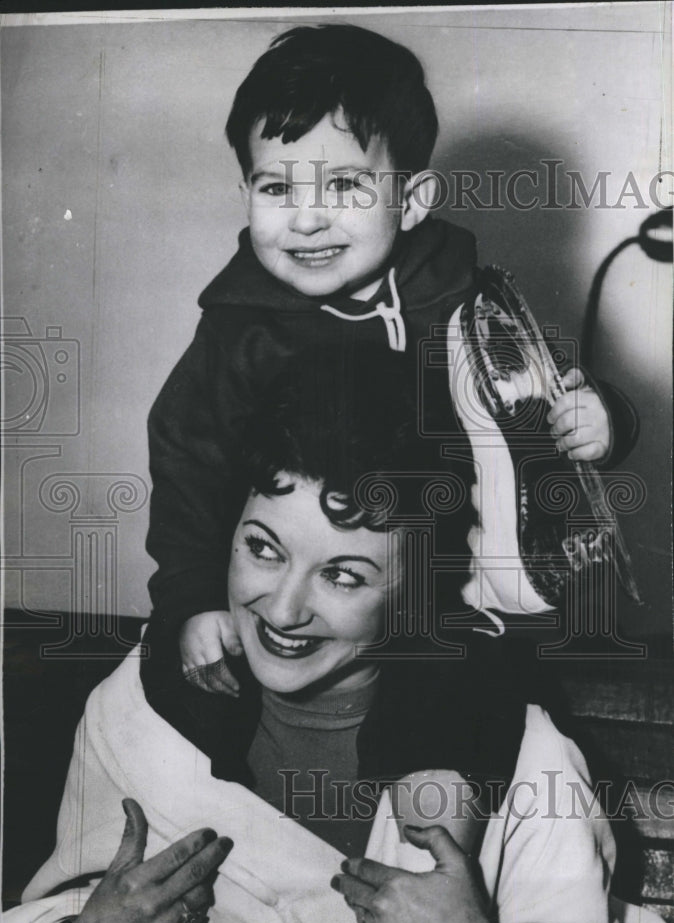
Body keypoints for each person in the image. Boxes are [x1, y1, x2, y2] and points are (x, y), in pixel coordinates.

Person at [3, 348, 669, 923]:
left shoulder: (521, 760)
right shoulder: (141, 708)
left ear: (420, 591)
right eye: (263, 549)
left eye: (344, 577)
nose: (283, 610)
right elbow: (57, 918)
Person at [145, 23, 639, 694]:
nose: (307, 219)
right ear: (245, 193)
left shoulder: (463, 304)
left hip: (445, 594)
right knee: (189, 695)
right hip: (300, 598)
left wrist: (601, 420)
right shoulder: (243, 332)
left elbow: (534, 409)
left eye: (344, 186)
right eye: (277, 189)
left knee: (455, 721)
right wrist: (191, 599)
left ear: (410, 202)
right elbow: (187, 465)